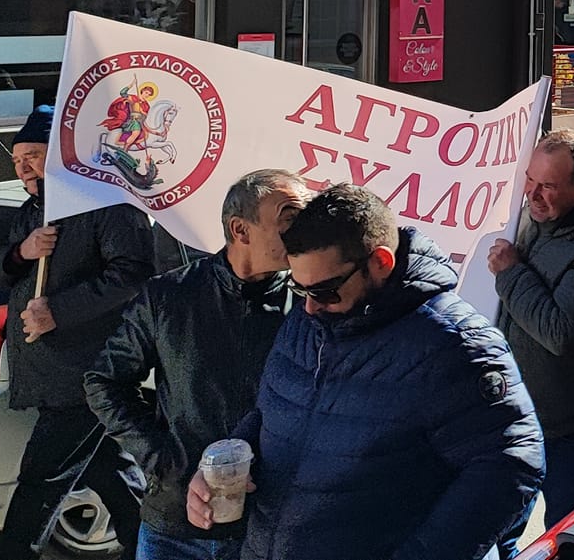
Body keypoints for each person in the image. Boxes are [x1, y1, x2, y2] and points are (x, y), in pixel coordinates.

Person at [190, 185, 543, 558]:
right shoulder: (309, 319)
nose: (309, 307)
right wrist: (227, 459)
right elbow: (272, 413)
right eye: (300, 288)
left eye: (325, 291)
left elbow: (510, 464)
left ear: (380, 263)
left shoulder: (454, 341)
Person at [87, 171, 309, 560]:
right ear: (240, 229)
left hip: (267, 527)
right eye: (290, 218)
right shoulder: (168, 296)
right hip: (173, 527)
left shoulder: (310, 308)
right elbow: (104, 382)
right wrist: (165, 462)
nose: (302, 232)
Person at [0, 106, 154, 560]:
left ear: (60, 154)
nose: (23, 168)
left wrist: (57, 311)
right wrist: (21, 252)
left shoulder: (109, 205)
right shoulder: (33, 212)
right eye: (17, 160)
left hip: (87, 373)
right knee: (114, 477)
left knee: (39, 482)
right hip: (48, 372)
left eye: (33, 156)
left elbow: (133, 275)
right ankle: (160, 550)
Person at [485, 130, 574, 537]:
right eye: (530, 179)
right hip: (511, 415)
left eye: (547, 185)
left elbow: (559, 332)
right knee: (498, 533)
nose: (533, 194)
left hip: (568, 428)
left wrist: (511, 273)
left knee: (564, 536)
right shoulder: (525, 217)